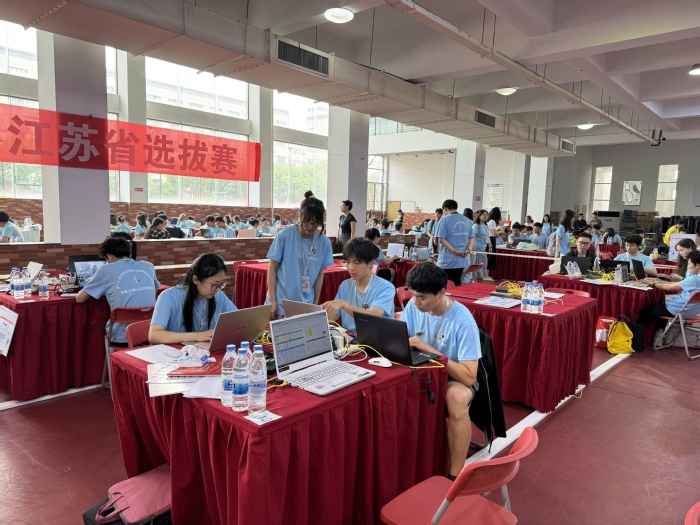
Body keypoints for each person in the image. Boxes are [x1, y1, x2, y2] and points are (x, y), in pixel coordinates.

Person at [400, 263, 481, 481]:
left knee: (456, 399)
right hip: (422, 370)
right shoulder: (413, 307)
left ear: (442, 293)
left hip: (455, 376)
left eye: (422, 297)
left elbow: (469, 376)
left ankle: (455, 475)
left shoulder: (463, 320)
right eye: (412, 295)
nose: (415, 302)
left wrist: (430, 350)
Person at [76, 237, 159, 345]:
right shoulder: (148, 266)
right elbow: (155, 290)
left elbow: (80, 298)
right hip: (150, 333)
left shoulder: (105, 270)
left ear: (109, 256)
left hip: (122, 337)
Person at [266, 197, 334, 319]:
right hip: (281, 301)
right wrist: (272, 300)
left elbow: (319, 274)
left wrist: (314, 305)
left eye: (316, 222)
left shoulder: (324, 242)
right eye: (307, 221)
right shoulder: (284, 236)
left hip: (305, 304)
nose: (311, 226)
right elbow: (272, 268)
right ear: (300, 216)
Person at [149, 253, 236, 344]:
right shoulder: (168, 297)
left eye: (221, 284)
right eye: (214, 284)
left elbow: (238, 321)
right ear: (195, 279)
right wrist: (198, 336)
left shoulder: (218, 295)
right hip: (175, 351)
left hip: (203, 351)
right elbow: (154, 335)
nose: (217, 289)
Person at [322, 239, 395, 332]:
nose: (351, 268)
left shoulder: (385, 287)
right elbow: (332, 317)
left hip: (376, 338)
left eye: (357, 263)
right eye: (347, 262)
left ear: (371, 263)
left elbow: (374, 317)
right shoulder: (345, 285)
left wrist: (344, 305)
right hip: (350, 339)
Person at [637, 250, 700, 347]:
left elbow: (669, 288)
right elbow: (679, 284)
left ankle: (637, 339)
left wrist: (653, 283)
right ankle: (659, 334)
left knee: (643, 313)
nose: (688, 267)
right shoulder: (694, 280)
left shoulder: (694, 279)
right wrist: (663, 281)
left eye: (689, 264)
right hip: (690, 311)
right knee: (660, 307)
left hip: (676, 309)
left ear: (698, 265)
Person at [435, 199, 475, 287]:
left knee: (444, 286)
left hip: (447, 261)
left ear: (445, 209)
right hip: (462, 260)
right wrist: (468, 250)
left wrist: (455, 251)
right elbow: (472, 237)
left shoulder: (444, 219)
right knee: (457, 285)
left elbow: (441, 239)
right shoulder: (466, 220)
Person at [472, 209, 492, 281]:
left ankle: (481, 279)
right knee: (477, 266)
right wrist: (472, 248)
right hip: (477, 248)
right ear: (479, 216)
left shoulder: (486, 226)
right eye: (484, 215)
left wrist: (490, 245)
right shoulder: (476, 226)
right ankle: (475, 280)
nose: (485, 216)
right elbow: (473, 237)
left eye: (487, 215)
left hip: (483, 248)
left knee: (483, 265)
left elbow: (487, 237)